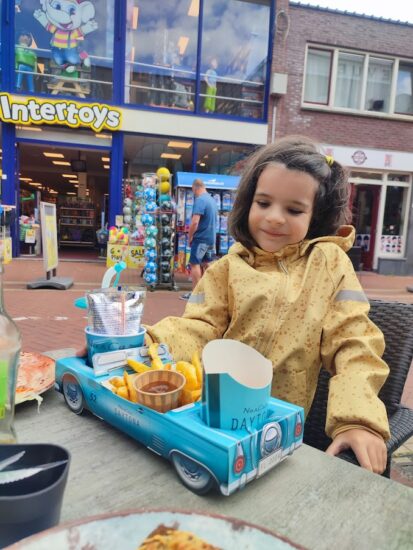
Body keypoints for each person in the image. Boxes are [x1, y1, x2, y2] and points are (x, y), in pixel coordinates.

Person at [146, 136, 390, 474]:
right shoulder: (228, 266)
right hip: (211, 418)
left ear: (315, 216)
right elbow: (199, 327)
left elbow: (354, 343)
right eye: (264, 203)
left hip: (281, 433)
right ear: (248, 203)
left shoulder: (329, 263)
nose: (274, 218)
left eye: (293, 209)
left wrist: (358, 418)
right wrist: (152, 344)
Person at [180, 178, 218, 300]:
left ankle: (196, 295)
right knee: (207, 264)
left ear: (196, 188)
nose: (194, 194)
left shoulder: (200, 200)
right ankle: (209, 292)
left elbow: (195, 222)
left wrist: (190, 236)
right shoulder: (212, 200)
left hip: (201, 238)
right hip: (210, 238)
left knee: (194, 264)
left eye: (193, 191)